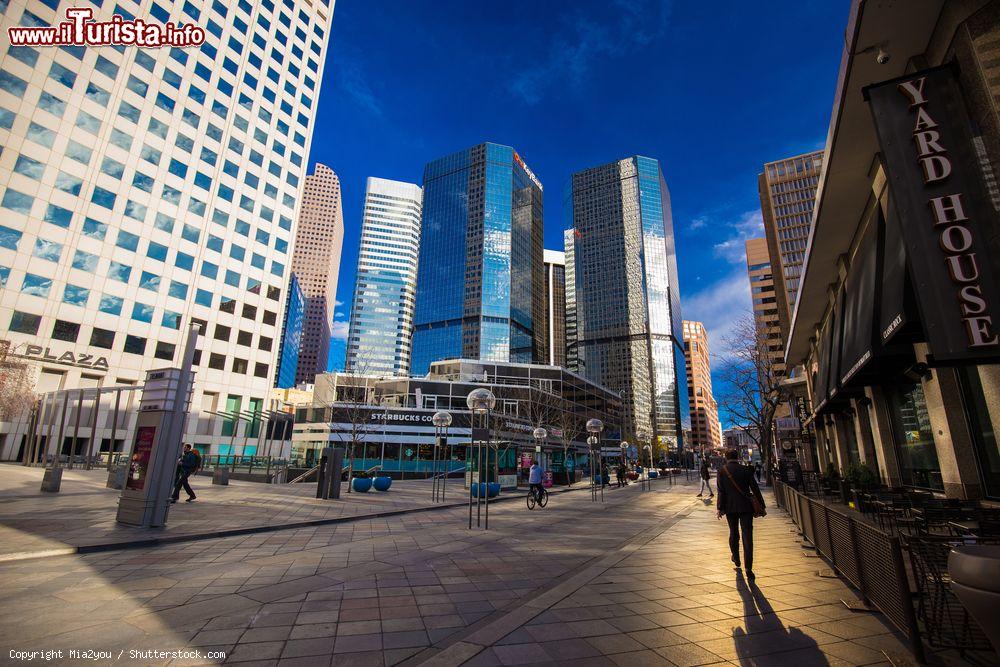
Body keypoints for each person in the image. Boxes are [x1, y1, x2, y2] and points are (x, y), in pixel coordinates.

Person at [717, 449, 766, 580]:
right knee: (747, 536)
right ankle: (748, 568)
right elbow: (754, 488)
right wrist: (762, 505)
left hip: (730, 507)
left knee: (733, 533)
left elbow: (721, 491)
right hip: (746, 507)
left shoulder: (722, 471)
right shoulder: (746, 470)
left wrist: (720, 508)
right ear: (737, 457)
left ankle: (736, 558)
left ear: (726, 458)